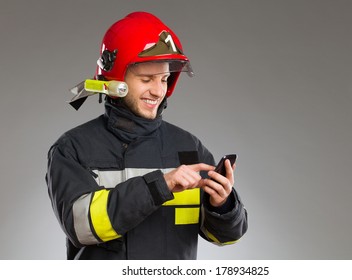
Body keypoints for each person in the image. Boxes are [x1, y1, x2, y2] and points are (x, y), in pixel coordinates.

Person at [46, 11, 248, 260]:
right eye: (146, 79)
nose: (158, 90)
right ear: (114, 79)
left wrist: (223, 206)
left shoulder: (188, 147)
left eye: (164, 79)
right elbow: (81, 226)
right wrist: (161, 185)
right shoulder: (74, 148)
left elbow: (227, 236)